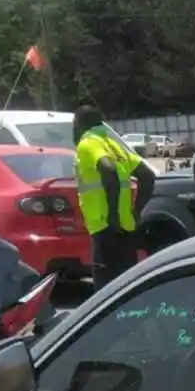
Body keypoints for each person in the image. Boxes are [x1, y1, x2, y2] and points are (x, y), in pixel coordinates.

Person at [72, 106, 154, 289]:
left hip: (104, 227)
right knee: (126, 289)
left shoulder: (88, 144)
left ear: (79, 123)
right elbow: (147, 176)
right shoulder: (115, 145)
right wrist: (136, 211)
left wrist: (112, 215)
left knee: (104, 292)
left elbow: (108, 170)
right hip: (126, 228)